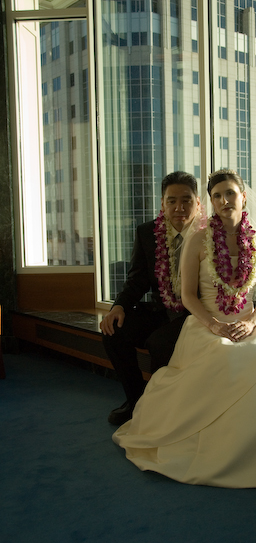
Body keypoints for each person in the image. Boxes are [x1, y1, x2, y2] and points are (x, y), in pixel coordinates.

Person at [112, 169, 256, 488]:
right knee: (221, 357)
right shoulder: (199, 240)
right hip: (205, 322)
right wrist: (212, 324)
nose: (224, 200)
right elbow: (187, 295)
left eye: (230, 193)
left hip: (247, 323)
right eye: (217, 196)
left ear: (243, 197)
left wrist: (253, 322)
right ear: (210, 202)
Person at [100, 171, 201, 425]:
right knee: (113, 331)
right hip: (161, 310)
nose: (179, 207)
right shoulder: (147, 233)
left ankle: (160, 408)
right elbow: (137, 280)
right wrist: (119, 306)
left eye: (186, 200)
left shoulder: (209, 234)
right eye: (171, 201)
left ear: (198, 202)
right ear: (162, 203)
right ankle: (136, 401)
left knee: (159, 343)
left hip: (195, 316)